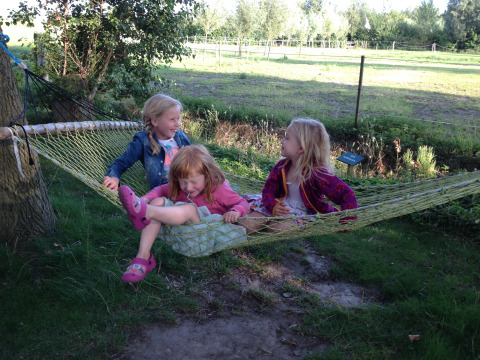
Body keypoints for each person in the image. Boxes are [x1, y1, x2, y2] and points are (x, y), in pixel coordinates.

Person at [118, 145, 250, 283]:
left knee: (189, 209)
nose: (188, 187)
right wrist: (146, 198)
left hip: (204, 236)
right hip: (181, 232)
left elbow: (243, 203)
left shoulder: (218, 188)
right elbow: (159, 190)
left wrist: (236, 211)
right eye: (183, 182)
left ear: (207, 175)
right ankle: (143, 257)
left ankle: (143, 211)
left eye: (194, 182)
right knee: (157, 201)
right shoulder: (177, 187)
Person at [246, 118, 358, 232]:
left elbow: (347, 193)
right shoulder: (282, 166)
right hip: (279, 205)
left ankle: (272, 221)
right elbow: (268, 190)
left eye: (287, 138)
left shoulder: (317, 173)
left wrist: (347, 222)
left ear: (301, 148)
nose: (281, 141)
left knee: (275, 230)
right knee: (246, 226)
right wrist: (272, 205)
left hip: (301, 212)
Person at [103, 94, 191, 191]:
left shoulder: (181, 137)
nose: (177, 124)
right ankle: (137, 204)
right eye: (172, 119)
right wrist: (114, 178)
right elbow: (120, 163)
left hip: (190, 185)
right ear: (155, 121)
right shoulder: (143, 141)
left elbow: (196, 160)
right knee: (158, 202)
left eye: (178, 118)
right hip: (166, 192)